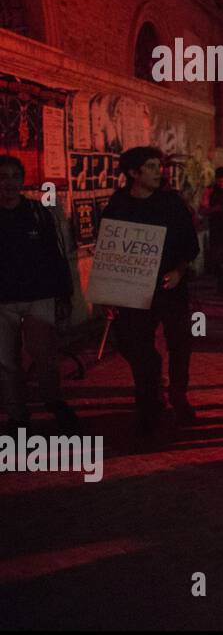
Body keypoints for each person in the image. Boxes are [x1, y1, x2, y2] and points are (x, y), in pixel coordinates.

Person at [102, 146, 201, 434]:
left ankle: (179, 397)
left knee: (180, 343)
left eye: (160, 166)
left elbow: (190, 245)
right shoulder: (118, 205)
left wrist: (179, 271)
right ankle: (149, 401)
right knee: (136, 345)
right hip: (133, 289)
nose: (160, 172)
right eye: (151, 166)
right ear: (133, 173)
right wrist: (110, 293)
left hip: (170, 287)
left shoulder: (171, 203)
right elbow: (110, 249)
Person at [0, 156, 78, 434]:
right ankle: (17, 415)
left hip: (38, 296)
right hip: (2, 302)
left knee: (44, 355)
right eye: (3, 176)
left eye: (14, 176)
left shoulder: (37, 212)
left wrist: (64, 294)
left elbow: (55, 255)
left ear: (22, 181)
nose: (8, 182)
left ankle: (54, 403)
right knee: (7, 362)